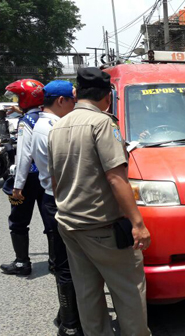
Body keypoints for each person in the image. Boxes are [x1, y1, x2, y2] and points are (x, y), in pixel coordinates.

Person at [47, 67, 151, 336]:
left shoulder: (58, 126)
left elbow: (55, 180)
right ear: (107, 96)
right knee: (129, 290)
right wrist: (138, 224)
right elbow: (117, 178)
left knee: (88, 293)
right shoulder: (103, 123)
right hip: (101, 226)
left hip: (69, 223)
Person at [30, 80, 82, 336]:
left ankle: (66, 315)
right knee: (65, 265)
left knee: (67, 262)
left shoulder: (44, 125)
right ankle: (71, 324)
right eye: (72, 101)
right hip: (58, 198)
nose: (75, 106)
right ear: (61, 101)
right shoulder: (52, 128)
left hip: (55, 196)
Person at [1, 79, 55, 276]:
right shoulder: (46, 118)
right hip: (46, 177)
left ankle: (22, 263)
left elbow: (24, 156)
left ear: (24, 98)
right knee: (50, 221)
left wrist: (17, 185)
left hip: (28, 178)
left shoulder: (26, 122)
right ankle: (55, 261)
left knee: (18, 221)